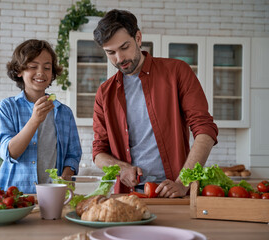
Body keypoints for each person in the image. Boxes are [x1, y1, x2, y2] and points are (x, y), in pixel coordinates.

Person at [92, 9, 218, 197]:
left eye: (124, 47)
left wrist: (184, 181)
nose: (119, 59)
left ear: (138, 38)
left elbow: (205, 130)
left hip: (176, 193)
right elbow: (98, 152)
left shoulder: (177, 71)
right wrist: (122, 168)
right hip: (129, 195)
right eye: (111, 52)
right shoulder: (105, 93)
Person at [0, 39, 82, 194]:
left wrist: (67, 175)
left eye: (47, 67)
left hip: (53, 194)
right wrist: (35, 120)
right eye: (33, 66)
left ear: (52, 73)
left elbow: (73, 155)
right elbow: (10, 153)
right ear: (19, 71)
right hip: (13, 195)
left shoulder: (64, 112)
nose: (41, 72)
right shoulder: (7, 107)